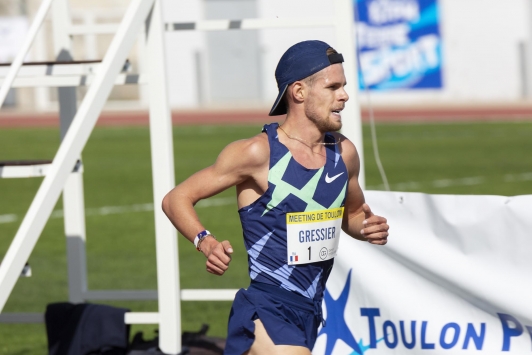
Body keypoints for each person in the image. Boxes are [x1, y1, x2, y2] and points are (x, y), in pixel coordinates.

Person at [162, 40, 389, 355]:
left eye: (344, 86)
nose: (345, 96)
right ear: (299, 92)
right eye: (333, 87)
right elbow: (177, 198)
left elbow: (351, 214)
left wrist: (367, 227)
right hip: (266, 307)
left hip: (310, 309)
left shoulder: (344, 154)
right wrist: (206, 241)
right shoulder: (258, 152)